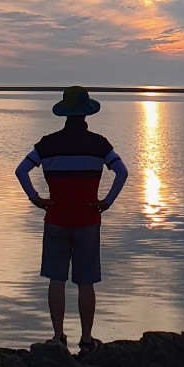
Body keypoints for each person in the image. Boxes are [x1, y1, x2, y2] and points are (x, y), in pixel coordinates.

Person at [15, 85, 128, 353]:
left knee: (57, 279)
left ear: (64, 113)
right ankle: (87, 340)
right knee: (85, 281)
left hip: (55, 218)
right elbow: (122, 172)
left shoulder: (48, 144)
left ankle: (58, 337)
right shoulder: (99, 144)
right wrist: (106, 202)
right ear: (86, 114)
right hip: (88, 218)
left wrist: (36, 198)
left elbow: (21, 171)